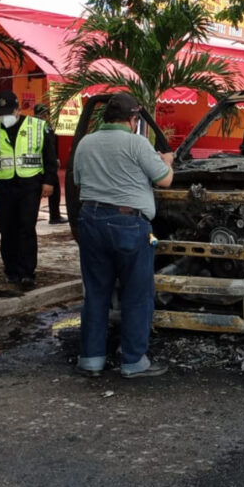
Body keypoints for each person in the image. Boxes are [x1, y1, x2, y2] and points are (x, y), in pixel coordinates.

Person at [72, 93, 175, 378]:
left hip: (90, 221)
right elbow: (164, 180)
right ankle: (133, 361)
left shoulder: (86, 142)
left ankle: (91, 359)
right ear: (132, 120)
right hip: (130, 225)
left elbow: (78, 180)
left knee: (96, 293)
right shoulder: (137, 143)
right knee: (136, 293)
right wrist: (166, 161)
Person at [0, 91, 57, 291]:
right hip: (4, 187)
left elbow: (49, 156)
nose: (4, 116)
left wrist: (49, 181)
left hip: (29, 185)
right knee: (6, 229)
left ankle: (27, 273)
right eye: (1, 112)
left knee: (26, 228)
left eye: (9, 112)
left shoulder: (38, 127)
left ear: (18, 110)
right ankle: (11, 270)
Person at [34, 103, 67, 225]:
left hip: (33, 165)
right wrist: (54, 160)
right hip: (47, 164)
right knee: (55, 189)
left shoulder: (29, 127)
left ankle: (32, 215)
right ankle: (55, 216)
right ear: (45, 114)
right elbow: (50, 147)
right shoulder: (46, 127)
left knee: (35, 191)